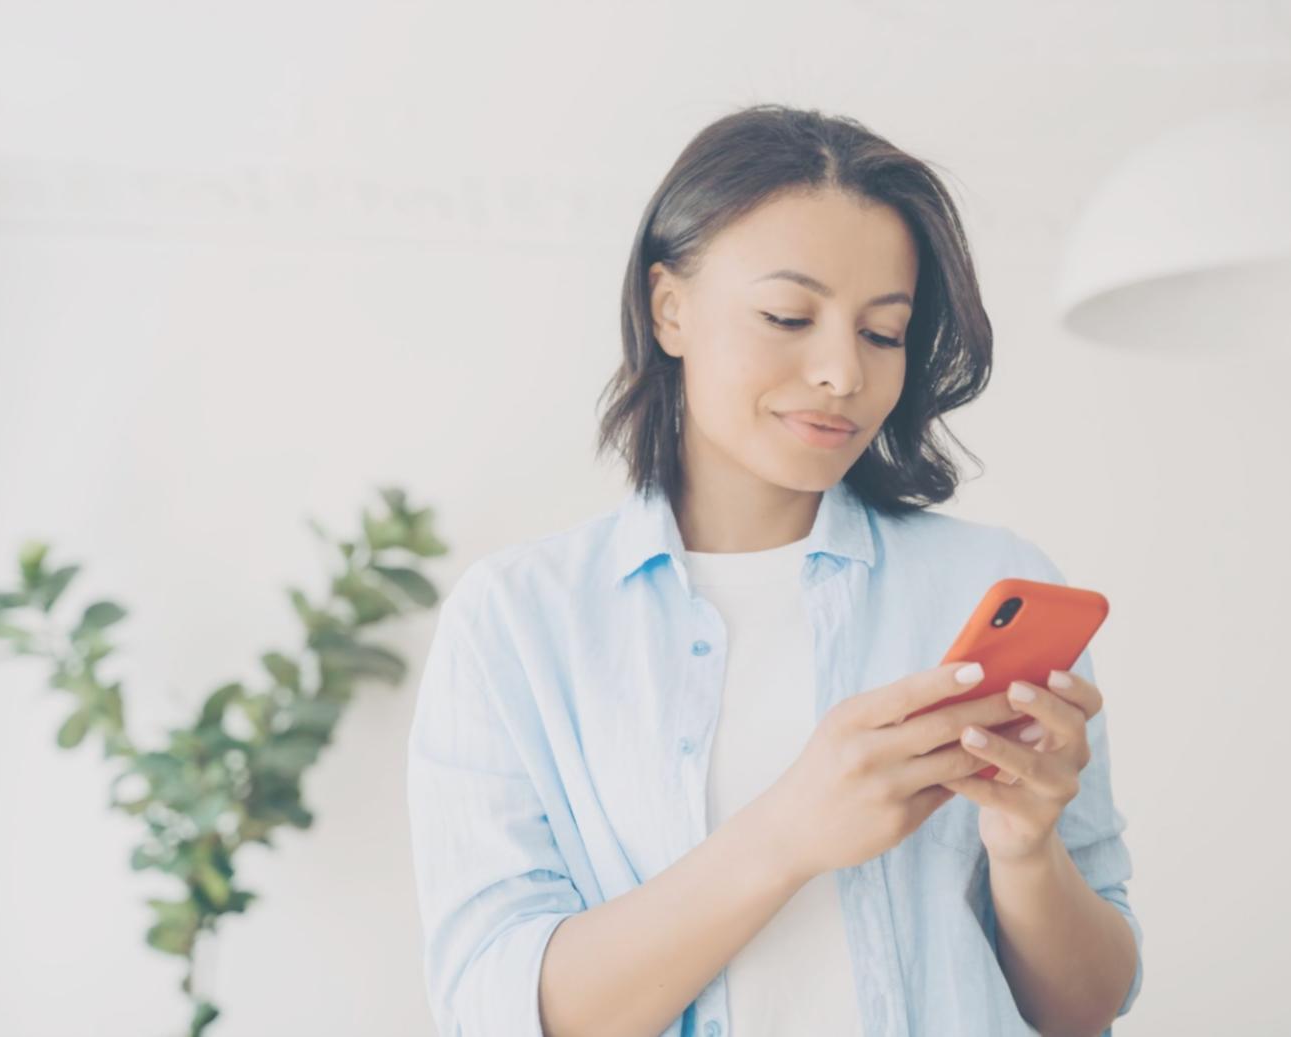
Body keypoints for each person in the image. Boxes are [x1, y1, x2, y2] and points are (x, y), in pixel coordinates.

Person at [406, 103, 1142, 1037]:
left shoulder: (986, 579)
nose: (842, 372)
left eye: (882, 333)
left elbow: (1085, 1010)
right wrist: (788, 830)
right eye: (788, 316)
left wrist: (1026, 848)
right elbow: (497, 1010)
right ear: (669, 308)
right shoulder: (519, 619)